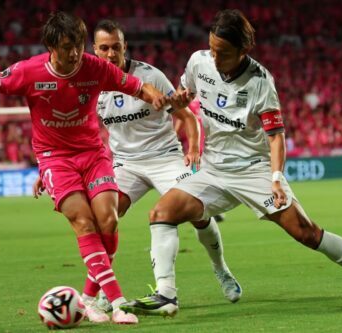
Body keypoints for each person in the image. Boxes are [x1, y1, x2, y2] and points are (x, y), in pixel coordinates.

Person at [120, 9, 342, 317]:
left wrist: (276, 177)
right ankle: (166, 295)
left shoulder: (261, 83)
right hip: (213, 170)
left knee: (306, 232)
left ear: (243, 50)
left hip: (253, 170)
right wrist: (181, 99)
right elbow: (188, 93)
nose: (214, 56)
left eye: (222, 53)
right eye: (212, 48)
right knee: (161, 212)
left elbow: (275, 137)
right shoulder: (199, 61)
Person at [0, 11, 170, 325]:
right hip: (55, 158)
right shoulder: (27, 72)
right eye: (67, 47)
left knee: (107, 220)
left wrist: (155, 96)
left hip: (93, 153)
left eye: (78, 45)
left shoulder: (96, 67)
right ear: (51, 48)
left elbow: (136, 86)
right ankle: (117, 301)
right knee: (84, 221)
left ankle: (89, 299)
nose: (75, 53)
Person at [34, 19, 242, 317]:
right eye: (103, 48)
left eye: (116, 47)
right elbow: (70, 130)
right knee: (105, 219)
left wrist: (194, 148)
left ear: (124, 47)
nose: (110, 54)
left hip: (165, 158)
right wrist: (48, 167)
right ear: (94, 49)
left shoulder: (150, 77)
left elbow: (186, 117)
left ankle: (221, 269)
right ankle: (103, 294)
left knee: (197, 215)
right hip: (126, 165)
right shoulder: (90, 78)